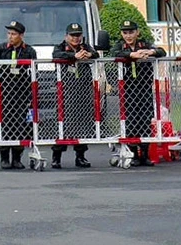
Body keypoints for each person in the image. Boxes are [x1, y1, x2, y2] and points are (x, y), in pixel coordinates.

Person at [112, 20, 166, 166]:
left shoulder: (144, 44)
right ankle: (134, 155)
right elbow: (115, 53)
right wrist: (132, 55)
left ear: (137, 32)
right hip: (128, 89)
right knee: (131, 122)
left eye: (131, 32)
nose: (128, 36)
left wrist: (151, 52)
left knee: (145, 121)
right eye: (125, 33)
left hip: (144, 88)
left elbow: (162, 51)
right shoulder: (120, 46)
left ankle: (145, 155)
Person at [50, 22, 99, 169]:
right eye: (73, 36)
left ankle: (80, 156)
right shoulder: (60, 47)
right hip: (65, 91)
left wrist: (89, 54)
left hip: (83, 90)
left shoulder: (85, 47)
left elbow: (96, 54)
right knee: (62, 123)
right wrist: (73, 56)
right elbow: (56, 55)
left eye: (78, 36)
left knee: (82, 122)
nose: (76, 39)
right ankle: (56, 157)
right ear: (66, 36)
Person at [0, 21, 37, 169]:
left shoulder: (29, 51)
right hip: (4, 93)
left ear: (21, 35)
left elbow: (33, 74)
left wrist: (32, 95)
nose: (10, 37)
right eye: (9, 34)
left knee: (21, 125)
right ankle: (4, 157)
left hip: (21, 94)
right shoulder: (0, 49)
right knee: (3, 124)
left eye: (14, 34)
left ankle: (17, 158)